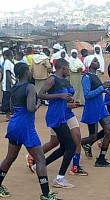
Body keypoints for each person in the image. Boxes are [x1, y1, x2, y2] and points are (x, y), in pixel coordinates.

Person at [0, 63, 58, 199]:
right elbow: (31, 108)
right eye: (30, 71)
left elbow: (12, 108)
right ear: (26, 72)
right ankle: (45, 194)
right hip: (25, 126)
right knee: (40, 158)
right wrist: (38, 103)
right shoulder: (30, 87)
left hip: (14, 125)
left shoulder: (14, 87)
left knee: (10, 158)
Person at [38, 58, 76, 188]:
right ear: (63, 68)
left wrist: (68, 99)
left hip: (62, 115)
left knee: (64, 146)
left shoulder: (63, 81)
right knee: (71, 146)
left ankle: (40, 163)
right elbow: (40, 94)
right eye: (68, 68)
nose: (69, 70)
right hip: (55, 116)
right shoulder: (52, 79)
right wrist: (59, 96)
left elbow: (63, 96)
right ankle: (59, 178)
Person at [81, 55, 110, 167]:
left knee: (109, 130)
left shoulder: (94, 75)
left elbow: (96, 89)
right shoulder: (86, 77)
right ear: (90, 64)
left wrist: (106, 91)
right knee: (93, 137)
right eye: (95, 61)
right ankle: (73, 144)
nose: (98, 62)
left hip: (100, 107)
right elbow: (87, 95)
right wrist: (102, 88)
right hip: (92, 108)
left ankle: (101, 158)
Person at [1, 50, 16, 121]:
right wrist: (12, 83)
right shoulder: (7, 62)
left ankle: (10, 115)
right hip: (9, 85)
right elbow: (8, 73)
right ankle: (8, 116)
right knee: (8, 100)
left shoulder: (10, 62)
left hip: (10, 83)